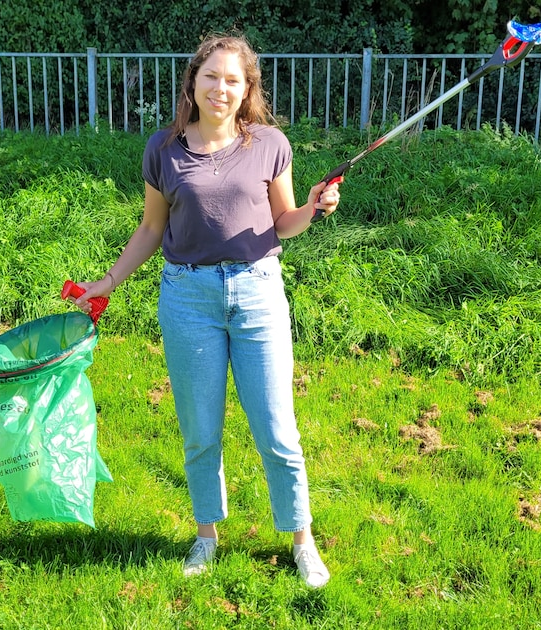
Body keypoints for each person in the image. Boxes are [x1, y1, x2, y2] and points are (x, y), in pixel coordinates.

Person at [69, 34, 340, 588]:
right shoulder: (163, 149)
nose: (220, 88)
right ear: (193, 82)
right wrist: (108, 282)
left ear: (247, 89)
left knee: (277, 430)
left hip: (258, 292)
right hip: (188, 298)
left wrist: (313, 207)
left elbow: (283, 222)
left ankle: (302, 540)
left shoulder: (269, 144)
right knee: (200, 431)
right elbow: (152, 227)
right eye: (211, 76)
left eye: (232, 80)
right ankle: (206, 534)